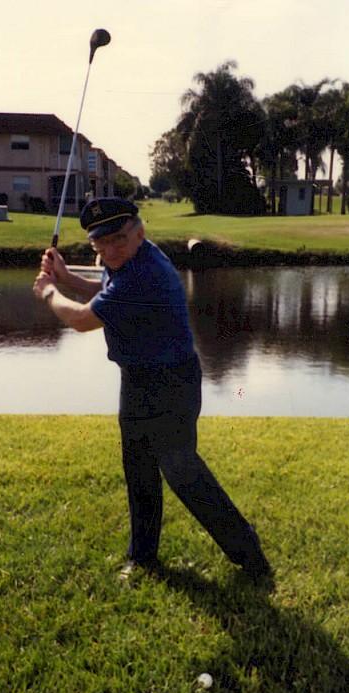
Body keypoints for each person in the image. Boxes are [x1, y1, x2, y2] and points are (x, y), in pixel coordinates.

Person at [32, 198, 273, 587]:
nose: (109, 251)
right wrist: (66, 277)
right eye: (100, 244)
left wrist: (47, 290)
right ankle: (142, 557)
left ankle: (250, 555)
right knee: (139, 469)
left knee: (182, 471)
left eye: (118, 239)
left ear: (138, 232)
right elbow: (105, 287)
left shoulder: (144, 274)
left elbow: (80, 319)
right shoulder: (129, 262)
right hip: (138, 380)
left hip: (171, 384)